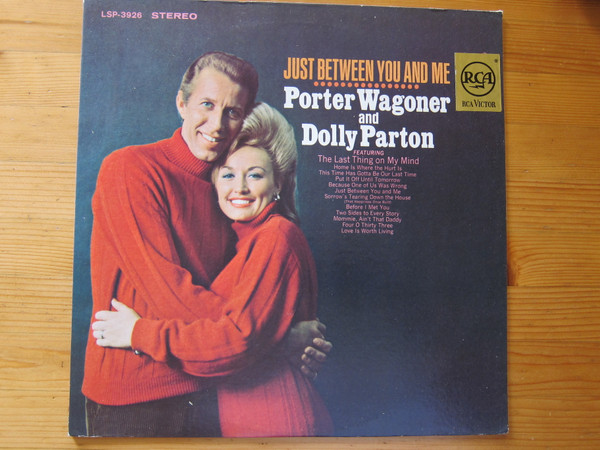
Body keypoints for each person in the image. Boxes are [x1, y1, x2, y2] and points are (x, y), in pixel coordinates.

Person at [82, 52, 330, 437]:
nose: (216, 124)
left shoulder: (230, 196)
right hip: (136, 398)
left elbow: (243, 306)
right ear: (181, 104)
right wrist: (277, 339)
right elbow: (170, 296)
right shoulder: (131, 169)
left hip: (217, 391)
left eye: (232, 112)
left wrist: (259, 334)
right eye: (207, 105)